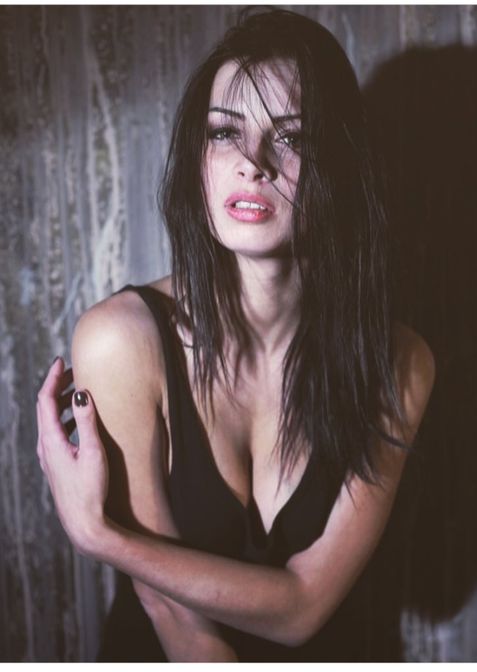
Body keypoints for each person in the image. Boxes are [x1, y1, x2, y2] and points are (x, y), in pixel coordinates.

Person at [35, 8, 435, 663]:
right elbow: (170, 610)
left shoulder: (399, 363)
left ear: (340, 164)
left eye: (292, 138)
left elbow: (304, 607)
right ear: (199, 158)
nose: (253, 163)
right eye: (225, 132)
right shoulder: (121, 342)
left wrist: (103, 538)